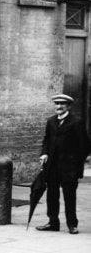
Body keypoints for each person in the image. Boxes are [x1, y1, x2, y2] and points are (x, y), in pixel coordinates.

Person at [36, 93, 91, 235]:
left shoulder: (76, 122)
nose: (59, 106)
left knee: (69, 196)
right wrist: (44, 153)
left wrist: (76, 163)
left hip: (69, 168)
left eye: (62, 104)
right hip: (52, 166)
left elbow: (85, 146)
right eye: (57, 104)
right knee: (52, 195)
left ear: (69, 106)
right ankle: (53, 222)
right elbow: (46, 140)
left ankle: (72, 224)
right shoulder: (51, 121)